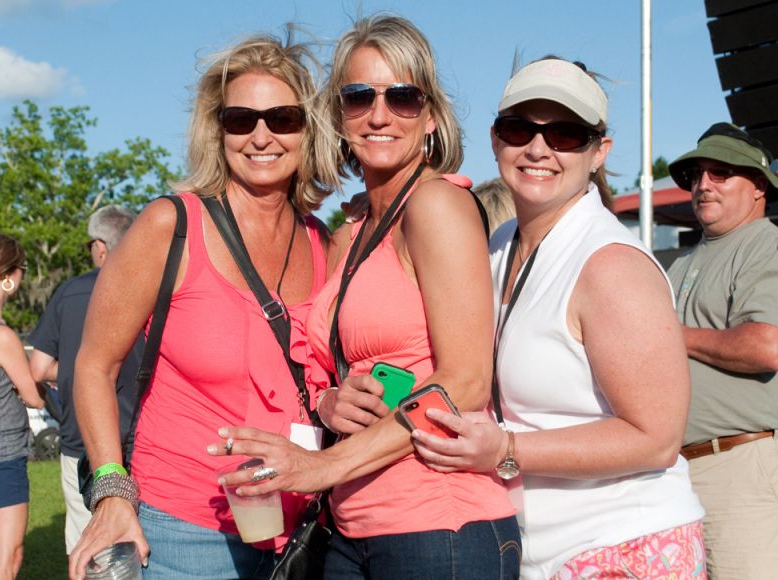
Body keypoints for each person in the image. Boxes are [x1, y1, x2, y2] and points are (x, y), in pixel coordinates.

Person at [209, 15, 520, 579]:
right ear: (338, 115)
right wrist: (330, 403)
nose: (379, 115)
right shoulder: (350, 231)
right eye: (359, 97)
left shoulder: (436, 207)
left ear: (429, 114)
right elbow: (330, 366)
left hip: (438, 524)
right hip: (354, 530)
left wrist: (320, 465)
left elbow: (465, 381)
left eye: (401, 97)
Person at [407, 57, 707, 578]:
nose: (539, 148)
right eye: (520, 128)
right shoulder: (498, 246)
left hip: (623, 547)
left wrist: (507, 450)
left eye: (566, 133)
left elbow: (656, 438)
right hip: (535, 549)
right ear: (497, 138)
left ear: (599, 152)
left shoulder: (611, 265)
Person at [68, 34, 331, 580]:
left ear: (309, 129)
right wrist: (113, 491)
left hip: (301, 534)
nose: (261, 136)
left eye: (282, 118)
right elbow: (95, 365)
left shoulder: (323, 241)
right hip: (181, 532)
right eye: (241, 119)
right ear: (218, 130)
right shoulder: (172, 225)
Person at [666, 123, 778, 579]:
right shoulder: (681, 261)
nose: (703, 184)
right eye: (696, 174)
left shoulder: (767, 243)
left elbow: (767, 345)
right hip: (673, 471)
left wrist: (670, 335)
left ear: (759, 187)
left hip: (740, 461)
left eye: (721, 172)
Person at [28, 205, 140, 556]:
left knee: (85, 542)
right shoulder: (151, 288)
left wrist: (74, 372)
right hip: (142, 435)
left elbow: (38, 367)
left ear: (100, 246)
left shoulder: (70, 292)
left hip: (83, 436)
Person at [0, 234, 45, 579]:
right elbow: (32, 395)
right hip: (0, 460)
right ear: (9, 276)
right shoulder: (0, 336)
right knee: (8, 558)